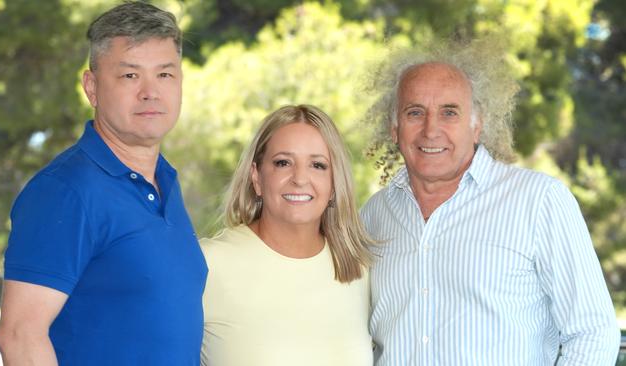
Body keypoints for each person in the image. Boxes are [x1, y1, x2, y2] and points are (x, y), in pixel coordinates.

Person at [360, 38, 621, 365]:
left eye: (449, 112)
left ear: (477, 124)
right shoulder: (373, 216)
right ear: (395, 128)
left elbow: (593, 333)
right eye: (415, 112)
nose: (431, 130)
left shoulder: (538, 201)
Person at [0, 2, 207, 365]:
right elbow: (20, 336)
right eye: (130, 76)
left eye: (165, 75)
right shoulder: (66, 191)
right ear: (91, 87)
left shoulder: (166, 183)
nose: (150, 92)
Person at [201, 104, 373, 366]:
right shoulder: (208, 264)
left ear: (335, 183)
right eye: (283, 163)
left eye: (317, 165)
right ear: (256, 177)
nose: (300, 178)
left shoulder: (358, 269)